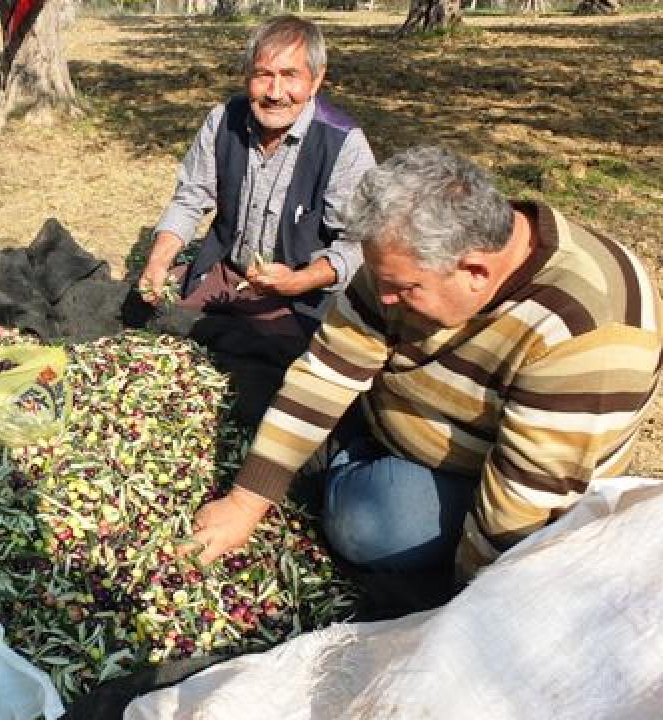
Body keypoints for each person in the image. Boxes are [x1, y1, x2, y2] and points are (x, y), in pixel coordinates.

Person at [187, 147, 663, 580]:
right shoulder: (415, 255)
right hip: (405, 414)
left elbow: (522, 505)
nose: (385, 298)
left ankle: (346, 459)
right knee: (273, 415)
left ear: (475, 271)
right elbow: (327, 370)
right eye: (380, 280)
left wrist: (462, 606)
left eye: (402, 289)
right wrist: (246, 502)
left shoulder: (585, 334)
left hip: (495, 476)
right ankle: (348, 451)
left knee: (367, 526)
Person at [137, 15, 375, 372]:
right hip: (226, 274)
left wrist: (298, 280)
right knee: (151, 327)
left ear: (317, 79)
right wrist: (157, 262)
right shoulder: (222, 121)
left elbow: (357, 245)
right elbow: (190, 198)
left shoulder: (343, 144)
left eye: (290, 75)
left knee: (286, 374)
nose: (275, 93)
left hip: (298, 297)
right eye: (263, 75)